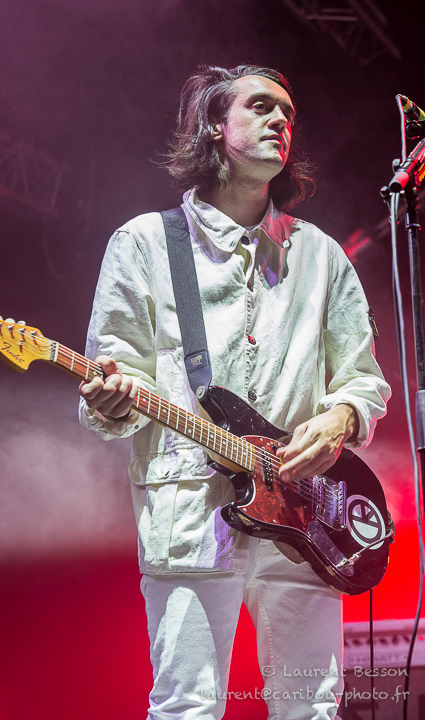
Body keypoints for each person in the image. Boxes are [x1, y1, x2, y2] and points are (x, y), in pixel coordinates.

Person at [78, 64, 390, 720]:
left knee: (311, 707)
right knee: (187, 707)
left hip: (306, 517)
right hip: (190, 511)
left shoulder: (320, 256)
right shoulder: (144, 244)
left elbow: (363, 378)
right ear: (215, 126)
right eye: (261, 106)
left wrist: (341, 416)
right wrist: (109, 398)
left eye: (288, 113)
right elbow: (115, 381)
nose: (282, 120)